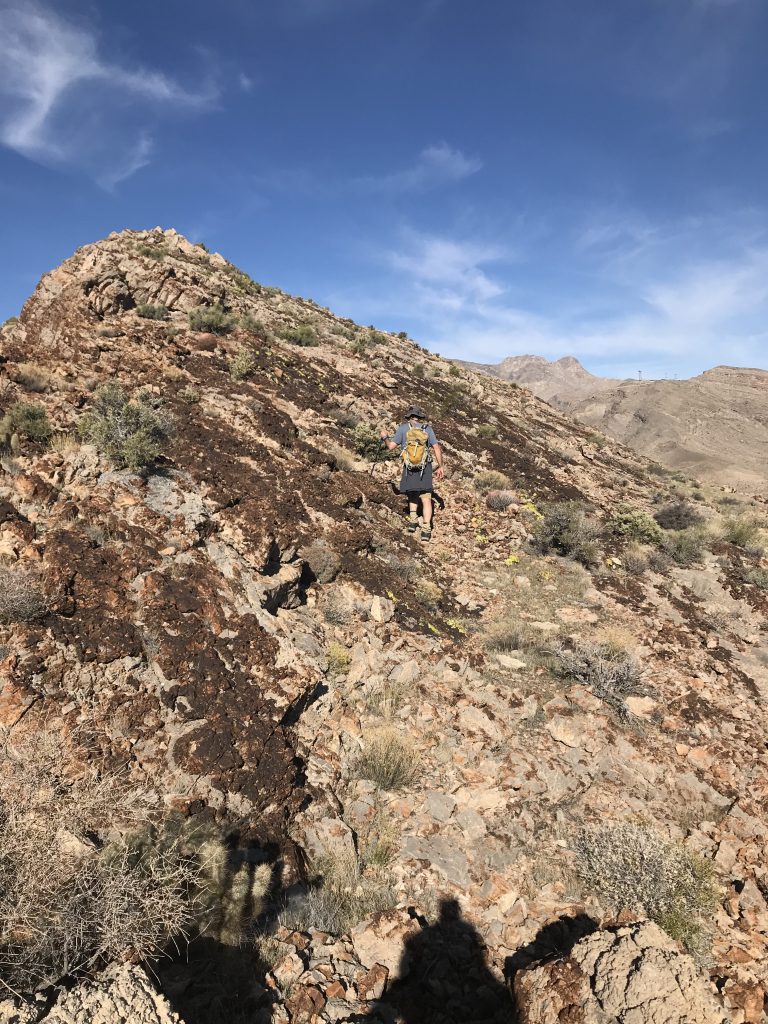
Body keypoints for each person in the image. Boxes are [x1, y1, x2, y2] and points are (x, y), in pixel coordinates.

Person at [380, 405, 444, 541]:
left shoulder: (403, 428)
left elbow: (391, 447)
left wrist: (385, 437)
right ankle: (426, 530)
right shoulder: (427, 429)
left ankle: (413, 521)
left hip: (409, 466)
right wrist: (440, 466)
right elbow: (436, 447)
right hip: (424, 467)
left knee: (412, 493)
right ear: (420, 418)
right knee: (427, 498)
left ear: (409, 417)